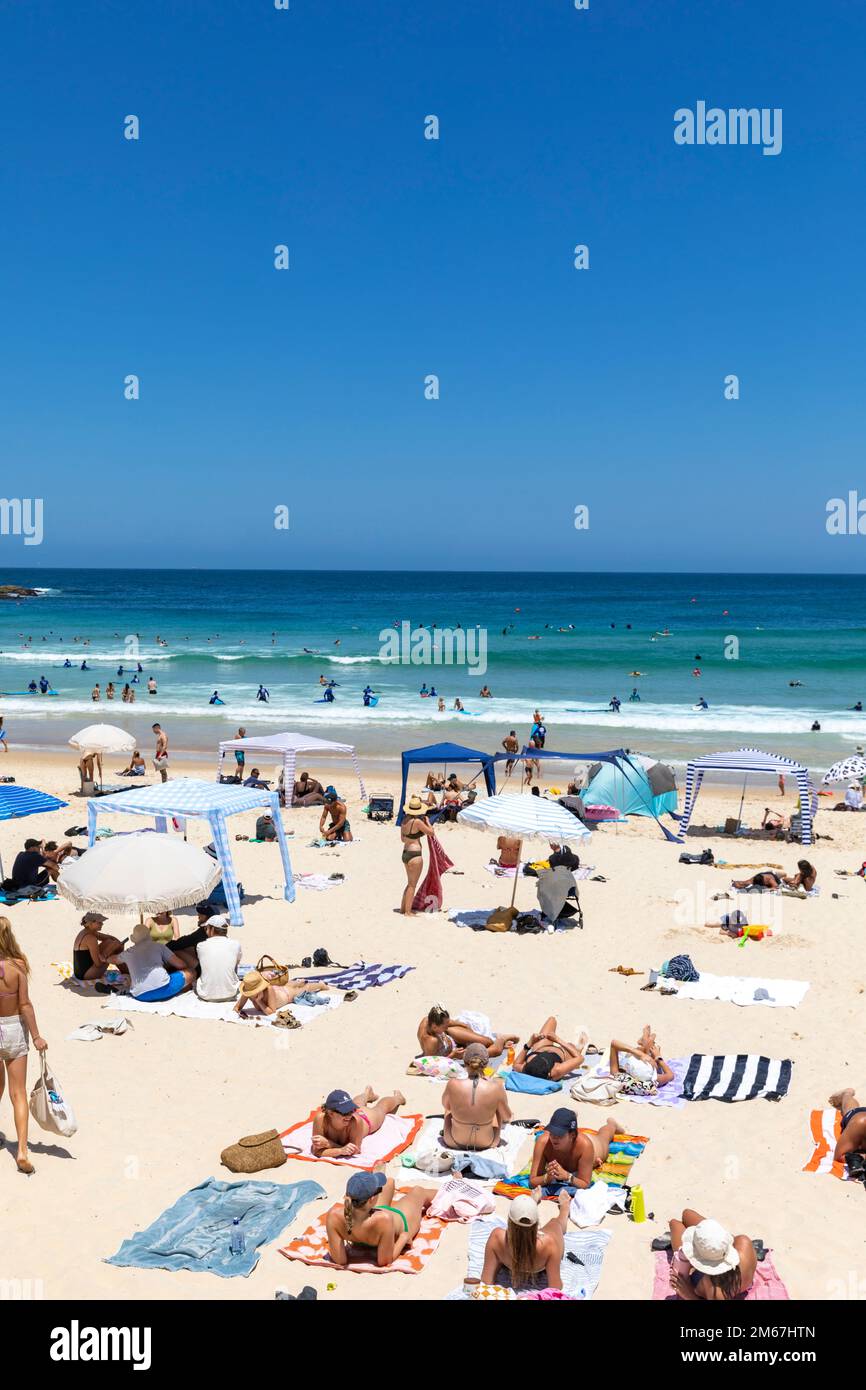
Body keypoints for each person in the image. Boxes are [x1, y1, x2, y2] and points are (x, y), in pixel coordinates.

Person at [0, 917, 48, 1174]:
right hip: (14, 1029)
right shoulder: (18, 966)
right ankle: (21, 1152)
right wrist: (37, 1036)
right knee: (18, 1093)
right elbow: (25, 1005)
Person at [326, 1171, 436, 1269]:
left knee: (389, 1182)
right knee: (418, 1192)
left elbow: (340, 1260)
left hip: (368, 1216)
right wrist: (404, 1237)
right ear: (372, 1199)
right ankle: (451, 1192)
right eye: (378, 1190)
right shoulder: (384, 1219)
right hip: (398, 1220)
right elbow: (385, 1261)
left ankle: (375, 1183)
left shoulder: (333, 1215)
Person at [480, 1192, 571, 1292]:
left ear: (509, 1221)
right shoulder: (548, 1244)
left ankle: (533, 1203)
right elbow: (556, 1287)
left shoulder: (497, 1237)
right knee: (555, 1223)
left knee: (547, 1222)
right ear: (537, 1224)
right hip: (541, 1258)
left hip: (508, 1258)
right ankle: (564, 1208)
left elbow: (486, 1281)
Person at [668, 1209, 757, 1301]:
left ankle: (704, 1244)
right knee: (686, 1213)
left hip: (710, 1284)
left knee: (674, 1223)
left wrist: (690, 1296)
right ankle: (710, 1243)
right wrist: (714, 1248)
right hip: (737, 1279)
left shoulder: (713, 1290)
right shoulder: (744, 1242)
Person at [528, 1106, 621, 1194]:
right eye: (552, 1133)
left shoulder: (585, 1146)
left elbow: (585, 1183)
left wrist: (567, 1177)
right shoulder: (543, 1142)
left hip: (593, 1148)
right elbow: (532, 1181)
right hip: (572, 1142)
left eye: (559, 1135)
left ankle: (612, 1124)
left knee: (604, 1137)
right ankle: (570, 1118)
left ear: (572, 1135)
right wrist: (547, 1178)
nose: (554, 1138)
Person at [442, 1043, 512, 1150]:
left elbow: (446, 1106)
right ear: (486, 1064)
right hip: (488, 1142)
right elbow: (507, 1117)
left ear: (465, 1063)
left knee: (448, 1111)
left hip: (453, 1140)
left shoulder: (453, 1084)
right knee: (498, 1109)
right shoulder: (496, 1087)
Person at [311, 1087, 406, 1159]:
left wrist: (329, 1144)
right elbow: (317, 1151)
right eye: (345, 1112)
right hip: (358, 1115)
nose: (349, 1115)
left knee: (382, 1107)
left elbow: (355, 1151)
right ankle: (367, 1093)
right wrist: (340, 1150)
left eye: (351, 1110)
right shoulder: (320, 1119)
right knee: (358, 1103)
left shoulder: (355, 1121)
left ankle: (398, 1098)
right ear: (330, 1113)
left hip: (367, 1119)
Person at [118, 921, 195, 1001]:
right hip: (164, 989)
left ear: (134, 939)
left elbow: (113, 959)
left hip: (140, 995)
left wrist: (106, 956)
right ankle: (179, 992)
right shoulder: (158, 946)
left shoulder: (128, 952)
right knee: (191, 972)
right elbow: (181, 965)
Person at [416, 1005, 518, 1059]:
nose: (448, 1025)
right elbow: (433, 1064)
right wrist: (453, 1055)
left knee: (487, 1042)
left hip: (450, 1037)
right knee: (494, 1051)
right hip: (454, 1053)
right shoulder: (431, 1041)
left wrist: (464, 1026)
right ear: (434, 1027)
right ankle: (502, 1039)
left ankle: (498, 1041)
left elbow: (449, 1023)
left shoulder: (427, 1020)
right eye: (445, 1025)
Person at [233, 967, 335, 1017]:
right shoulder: (248, 992)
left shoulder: (268, 989)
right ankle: (300, 982)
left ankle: (321, 985)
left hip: (286, 995)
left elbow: (271, 1011)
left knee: (304, 988)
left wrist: (259, 1001)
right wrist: (239, 1013)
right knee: (293, 984)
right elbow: (237, 1008)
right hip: (279, 990)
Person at [513, 1018, 587, 1082]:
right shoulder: (556, 1071)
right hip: (560, 1053)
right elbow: (580, 1058)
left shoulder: (526, 1069)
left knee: (552, 1020)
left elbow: (516, 1065)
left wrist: (530, 1042)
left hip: (540, 1048)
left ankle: (573, 1046)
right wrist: (557, 1039)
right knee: (571, 1046)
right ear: (549, 1073)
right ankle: (579, 1047)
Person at [608, 1026, 674, 1095]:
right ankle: (646, 1042)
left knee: (648, 1049)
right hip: (632, 1060)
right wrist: (658, 1057)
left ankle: (646, 1042)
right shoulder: (651, 1080)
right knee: (651, 1048)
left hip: (632, 1060)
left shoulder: (620, 1077)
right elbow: (670, 1075)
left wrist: (641, 1055)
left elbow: (613, 1043)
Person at [399, 795, 435, 914]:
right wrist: (428, 822)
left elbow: (403, 839)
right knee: (412, 885)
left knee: (409, 883)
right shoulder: (418, 822)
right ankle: (408, 912)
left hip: (405, 853)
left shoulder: (404, 820)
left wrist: (416, 835)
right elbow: (431, 833)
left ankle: (403, 908)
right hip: (415, 855)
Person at [196, 918, 242, 1002]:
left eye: (206, 928)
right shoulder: (236, 944)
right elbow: (236, 963)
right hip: (231, 993)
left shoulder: (201, 945)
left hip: (206, 994)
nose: (206, 931)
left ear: (212, 929)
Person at [72, 912, 125, 982]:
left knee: (111, 942)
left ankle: (125, 969)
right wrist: (108, 955)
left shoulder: (87, 931)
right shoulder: (90, 938)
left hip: (79, 972)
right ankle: (126, 971)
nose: (102, 924)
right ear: (91, 924)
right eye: (99, 922)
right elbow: (98, 964)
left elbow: (110, 938)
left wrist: (118, 944)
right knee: (113, 945)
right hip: (86, 974)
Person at [829, 1087, 866, 1166]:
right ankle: (847, 1094)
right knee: (851, 1110)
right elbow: (838, 1155)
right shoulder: (859, 1124)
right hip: (857, 1117)